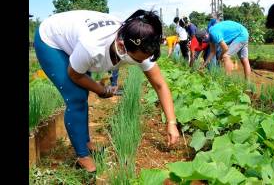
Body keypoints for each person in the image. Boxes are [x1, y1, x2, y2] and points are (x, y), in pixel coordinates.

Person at [34, 9, 180, 172]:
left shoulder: (141, 43)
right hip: (51, 39)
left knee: (82, 93)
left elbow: (160, 85)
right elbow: (74, 75)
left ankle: (86, 142)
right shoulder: (93, 47)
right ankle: (82, 155)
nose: (142, 63)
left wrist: (171, 122)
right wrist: (100, 90)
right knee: (76, 96)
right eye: (138, 60)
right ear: (121, 46)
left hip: (77, 36)